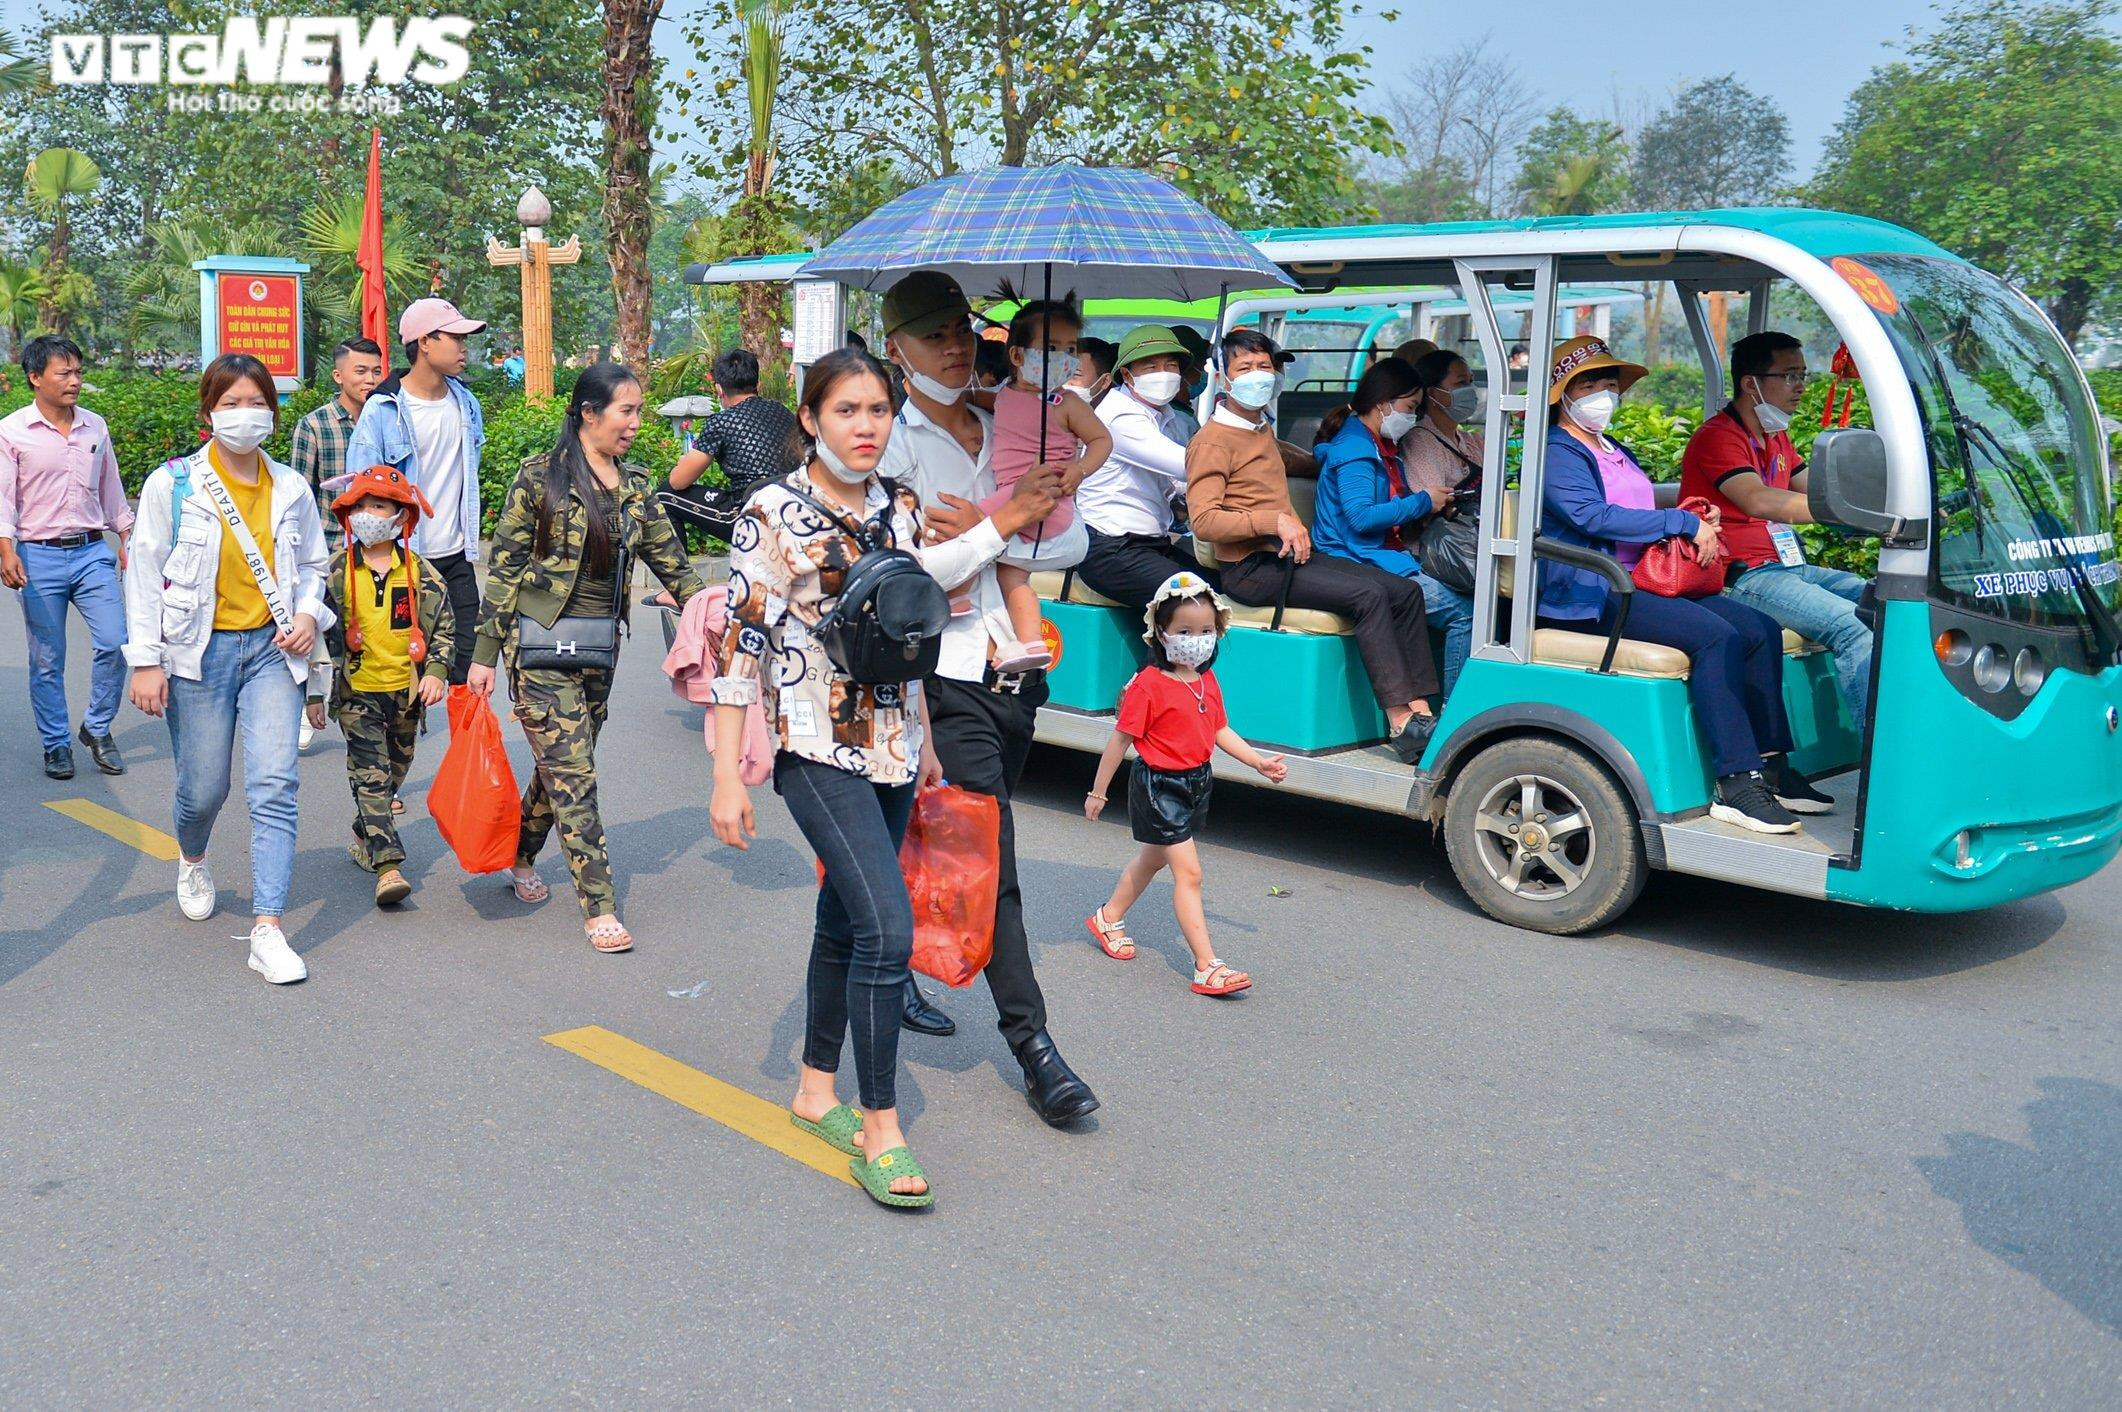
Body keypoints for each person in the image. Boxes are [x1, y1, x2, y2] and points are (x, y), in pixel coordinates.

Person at [710, 346, 1050, 1207]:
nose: (865, 426)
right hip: (815, 746)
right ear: (810, 419)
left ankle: (814, 1088)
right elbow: (741, 644)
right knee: (888, 933)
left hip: (897, 745)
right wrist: (726, 773)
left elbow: (911, 626)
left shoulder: (899, 506)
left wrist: (926, 737)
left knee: (844, 921)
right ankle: (882, 1128)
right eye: (846, 410)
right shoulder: (771, 512)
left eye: (877, 411)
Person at [876, 269, 1099, 1126]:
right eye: (933, 335)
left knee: (922, 839)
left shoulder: (1017, 418)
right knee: (990, 858)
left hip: (1016, 674)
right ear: (896, 349)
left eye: (963, 331)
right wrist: (1000, 525)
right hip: (938, 679)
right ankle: (1035, 1047)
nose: (955, 347)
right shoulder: (891, 448)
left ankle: (885, 956)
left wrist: (996, 526)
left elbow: (1071, 544)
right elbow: (905, 580)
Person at [466, 364, 705, 952]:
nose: (636, 423)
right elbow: (504, 570)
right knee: (576, 775)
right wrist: (484, 656)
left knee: (563, 767)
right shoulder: (538, 478)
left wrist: (716, 613)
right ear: (589, 413)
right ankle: (599, 906)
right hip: (539, 648)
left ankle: (521, 853)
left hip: (599, 649)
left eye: (639, 411)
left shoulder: (636, 488)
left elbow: (674, 567)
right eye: (627, 411)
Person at [1538, 335, 1807, 833]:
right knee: (1716, 636)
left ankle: (1772, 764)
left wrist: (1696, 515)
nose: (1603, 394)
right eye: (1588, 385)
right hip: (1594, 590)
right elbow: (1591, 516)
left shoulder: (1610, 446)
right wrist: (1681, 524)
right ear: (1563, 396)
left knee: (1759, 630)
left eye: (1608, 384)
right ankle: (1737, 782)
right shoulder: (1558, 452)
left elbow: (1639, 504)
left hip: (1641, 579)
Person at [122, 354, 332, 984]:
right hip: (198, 651)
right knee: (203, 789)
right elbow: (143, 574)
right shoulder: (174, 485)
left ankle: (268, 928)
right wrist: (145, 662)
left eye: (257, 403)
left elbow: (314, 565)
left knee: (275, 783)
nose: (246, 415)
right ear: (208, 412)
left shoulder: (290, 487)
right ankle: (193, 854)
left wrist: (307, 613)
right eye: (231, 403)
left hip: (273, 651)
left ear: (273, 411)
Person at [1187, 328, 1442, 763]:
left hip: (1289, 559)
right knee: (1368, 595)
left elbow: (1286, 459)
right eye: (1245, 368)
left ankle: (1423, 711)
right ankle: (1401, 722)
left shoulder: (1258, 429)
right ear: (1223, 378)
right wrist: (1274, 521)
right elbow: (1204, 521)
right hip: (1251, 569)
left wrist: (1328, 458)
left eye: (1264, 367)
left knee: (1404, 591)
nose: (1257, 375)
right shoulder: (1211, 441)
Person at [1083, 572, 1286, 995]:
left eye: (1206, 631)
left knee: (1152, 859)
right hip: (1160, 788)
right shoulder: (1147, 684)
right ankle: (1207, 966)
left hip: (1196, 782)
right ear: (1161, 632)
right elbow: (1120, 740)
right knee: (1190, 873)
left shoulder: (1206, 680)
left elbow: (1220, 729)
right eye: (1185, 631)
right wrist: (1098, 792)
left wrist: (1258, 763)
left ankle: (1108, 916)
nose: (1197, 640)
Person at [1681, 331, 1872, 737]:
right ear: (1751, 383)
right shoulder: (1718, 437)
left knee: (1883, 600)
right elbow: (1758, 500)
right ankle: (1883, 756)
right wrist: (1846, 512)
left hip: (1788, 567)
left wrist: (1892, 500)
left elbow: (1819, 487)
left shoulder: (1775, 435)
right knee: (1850, 625)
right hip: (1745, 574)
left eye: (1802, 374)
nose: (1800, 386)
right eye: (1789, 376)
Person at [305, 467, 455, 908]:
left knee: (392, 776)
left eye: (378, 506)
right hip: (357, 694)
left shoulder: (423, 575)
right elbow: (313, 637)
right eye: (361, 506)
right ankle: (388, 866)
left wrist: (436, 672)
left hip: (406, 695)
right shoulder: (334, 572)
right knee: (371, 777)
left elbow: (446, 629)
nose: (368, 515)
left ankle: (363, 832)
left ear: (400, 516)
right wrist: (313, 694)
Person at [0, 335, 132, 779]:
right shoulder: (11, 431)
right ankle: (56, 744)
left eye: (78, 372)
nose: (74, 380)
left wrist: (126, 536)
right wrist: (6, 549)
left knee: (116, 641)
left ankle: (97, 727)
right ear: (35, 378)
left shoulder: (95, 426)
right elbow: (3, 498)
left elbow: (110, 486)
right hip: (38, 557)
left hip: (92, 551)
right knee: (46, 658)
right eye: (64, 373)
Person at [1308, 356, 1476, 696]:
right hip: (1356, 559)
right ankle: (1454, 713)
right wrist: (1423, 502)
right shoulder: (1356, 450)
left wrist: (1429, 506)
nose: (1412, 418)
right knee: (1465, 615)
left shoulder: (1378, 445)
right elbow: (1361, 517)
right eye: (1410, 408)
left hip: (1380, 555)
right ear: (1383, 403)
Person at [345, 297, 488, 687]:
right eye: (455, 338)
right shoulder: (383, 410)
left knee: (467, 670)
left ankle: (465, 729)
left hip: (456, 558)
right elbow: (361, 495)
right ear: (424, 342)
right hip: (402, 561)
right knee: (400, 672)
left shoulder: (466, 403)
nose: (464, 348)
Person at [982, 292, 1113, 671]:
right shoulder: (1004, 394)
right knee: (1008, 573)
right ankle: (1026, 642)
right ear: (1017, 355)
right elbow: (977, 400)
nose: (1064, 358)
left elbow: (1102, 440)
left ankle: (1024, 640)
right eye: (1051, 347)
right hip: (1015, 499)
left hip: (1045, 502)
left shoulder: (1067, 403)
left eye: (1070, 349)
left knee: (972, 535)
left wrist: (1080, 469)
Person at [1077, 325, 1216, 609]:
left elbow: (1179, 484)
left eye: (1170, 365)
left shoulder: (1165, 415)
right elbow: (1186, 466)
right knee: (1195, 600)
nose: (1163, 374)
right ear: (1127, 375)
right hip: (1110, 549)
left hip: (1150, 544)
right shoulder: (1120, 416)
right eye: (1151, 367)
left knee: (1219, 584)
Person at [665, 347, 798, 538]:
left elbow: (678, 482)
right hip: (794, 509)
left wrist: (682, 463)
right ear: (758, 385)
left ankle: (678, 560)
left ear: (719, 389)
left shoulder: (722, 422)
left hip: (751, 515)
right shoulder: (783, 412)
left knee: (665, 494)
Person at [291, 338, 386, 551]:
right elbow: (300, 498)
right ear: (338, 376)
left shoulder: (388, 421)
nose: (370, 380)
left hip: (383, 549)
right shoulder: (315, 425)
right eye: (360, 371)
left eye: (377, 372)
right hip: (333, 550)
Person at [1068, 336, 1117, 406]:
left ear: (1105, 381)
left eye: (1076, 374)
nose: (1064, 383)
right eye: (1063, 374)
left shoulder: (1118, 411)